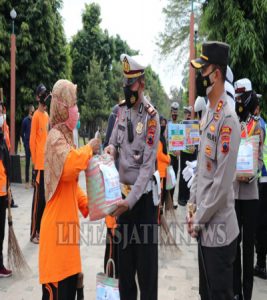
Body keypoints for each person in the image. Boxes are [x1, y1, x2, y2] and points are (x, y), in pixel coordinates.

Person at [188, 41, 241, 300]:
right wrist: (192, 204)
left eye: (203, 71)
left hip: (219, 231)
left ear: (216, 74)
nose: (200, 77)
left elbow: (221, 185)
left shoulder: (228, 120)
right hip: (205, 229)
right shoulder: (209, 113)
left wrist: (199, 218)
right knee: (205, 293)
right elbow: (201, 166)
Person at [105, 53, 160, 300]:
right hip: (123, 202)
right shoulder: (122, 110)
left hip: (143, 204)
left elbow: (147, 168)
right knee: (125, 273)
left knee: (146, 274)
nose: (128, 89)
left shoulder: (151, 117)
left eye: (132, 83)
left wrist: (130, 202)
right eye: (125, 83)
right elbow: (115, 141)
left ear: (142, 83)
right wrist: (110, 149)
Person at [39, 79, 100, 300]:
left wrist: (94, 206)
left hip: (67, 239)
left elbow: (71, 186)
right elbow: (69, 166)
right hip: (55, 241)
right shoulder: (55, 138)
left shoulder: (65, 138)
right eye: (73, 104)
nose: (76, 110)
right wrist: (89, 148)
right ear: (62, 106)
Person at [233, 78, 263, 300]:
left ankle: (247, 294)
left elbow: (259, 159)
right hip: (234, 192)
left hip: (251, 192)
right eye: (237, 97)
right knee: (235, 242)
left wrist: (251, 169)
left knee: (248, 245)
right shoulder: (232, 121)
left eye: (243, 97)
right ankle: (235, 291)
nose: (240, 101)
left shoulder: (258, 125)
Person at [30, 84, 50, 244]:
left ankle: (42, 229)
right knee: (38, 200)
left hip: (47, 165)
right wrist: (35, 164)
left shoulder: (47, 116)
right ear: (37, 97)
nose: (44, 98)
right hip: (39, 166)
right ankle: (33, 232)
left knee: (45, 199)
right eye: (42, 95)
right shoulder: (36, 116)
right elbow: (31, 142)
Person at [254, 107, 267, 280]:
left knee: (261, 224)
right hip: (263, 178)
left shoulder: (259, 126)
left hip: (262, 178)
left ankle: (261, 264)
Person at [178, 106, 197, 206]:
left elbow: (197, 139)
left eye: (190, 113)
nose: (188, 115)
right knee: (183, 175)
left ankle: (191, 197)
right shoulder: (181, 124)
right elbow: (177, 139)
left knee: (192, 175)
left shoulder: (195, 124)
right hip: (184, 153)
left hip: (193, 153)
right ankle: (181, 198)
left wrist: (195, 148)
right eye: (186, 113)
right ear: (184, 114)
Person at [0, 115, 12, 278]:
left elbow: (6, 165)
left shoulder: (2, 140)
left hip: (2, 192)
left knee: (0, 232)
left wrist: (9, 189)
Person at [157, 116, 171, 213]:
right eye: (161, 123)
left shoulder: (162, 137)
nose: (163, 125)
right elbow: (159, 154)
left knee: (163, 193)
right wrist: (168, 158)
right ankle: (158, 215)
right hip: (160, 171)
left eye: (164, 123)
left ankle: (160, 213)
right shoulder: (158, 137)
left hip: (164, 170)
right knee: (160, 194)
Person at [168, 102, 180, 207]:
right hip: (169, 157)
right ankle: (168, 201)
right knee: (169, 179)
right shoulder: (168, 125)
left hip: (177, 157)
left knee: (175, 178)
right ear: (170, 112)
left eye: (176, 112)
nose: (174, 114)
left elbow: (182, 141)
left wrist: (179, 150)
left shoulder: (180, 126)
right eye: (173, 112)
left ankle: (172, 199)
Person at [21, 104, 35, 189]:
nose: (33, 112)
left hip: (34, 145)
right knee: (27, 163)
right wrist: (24, 141)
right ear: (29, 111)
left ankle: (33, 181)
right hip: (27, 145)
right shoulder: (25, 121)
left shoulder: (35, 120)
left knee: (34, 164)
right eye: (32, 111)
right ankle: (26, 181)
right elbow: (22, 133)